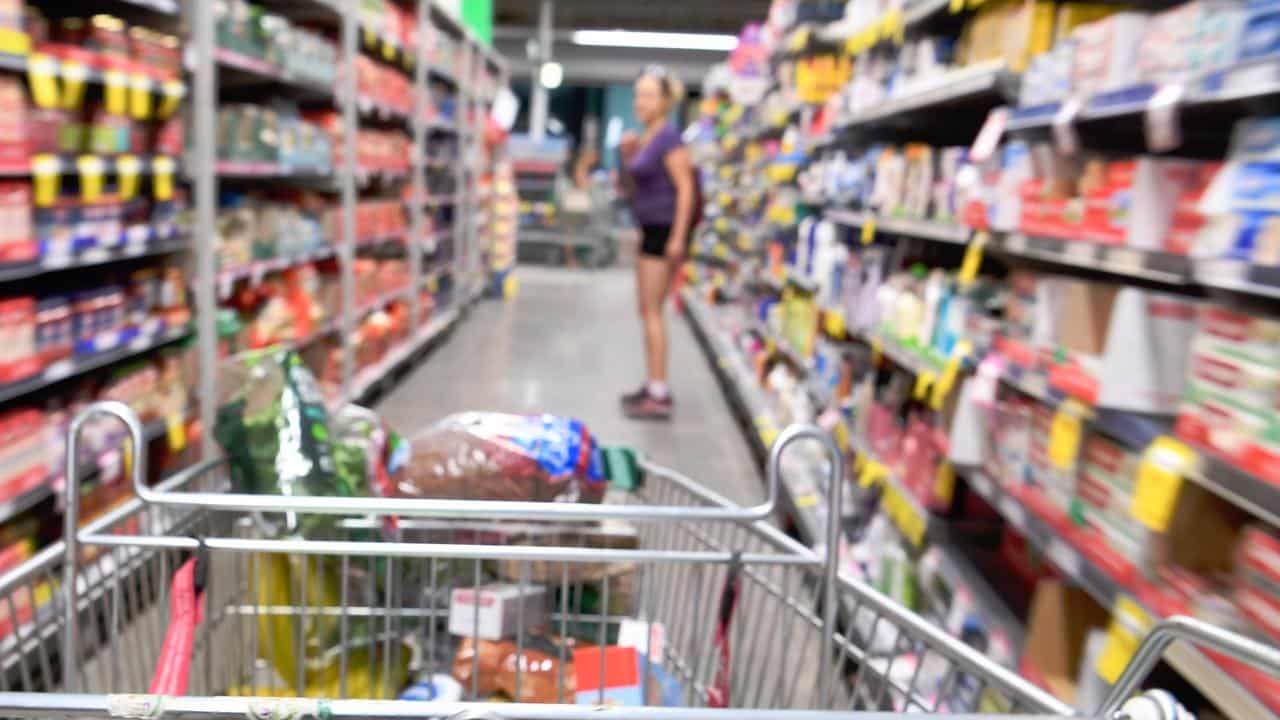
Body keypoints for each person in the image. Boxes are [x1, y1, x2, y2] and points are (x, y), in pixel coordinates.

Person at [617, 65, 696, 420]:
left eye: (648, 95)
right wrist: (629, 157)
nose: (640, 101)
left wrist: (678, 238)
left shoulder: (669, 137)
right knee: (645, 310)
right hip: (649, 229)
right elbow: (637, 187)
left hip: (663, 234)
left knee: (652, 313)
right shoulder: (646, 138)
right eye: (638, 94)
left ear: (665, 101)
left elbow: (686, 189)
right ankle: (651, 384)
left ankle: (659, 391)